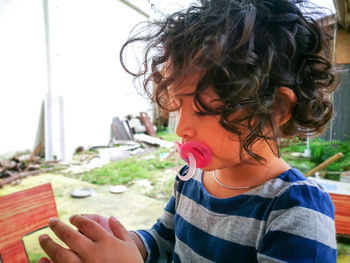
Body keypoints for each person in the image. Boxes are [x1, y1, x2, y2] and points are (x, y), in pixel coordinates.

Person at [38, 0, 339, 262]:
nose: (181, 128)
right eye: (179, 107)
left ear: (276, 109)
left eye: (204, 108)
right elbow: (166, 240)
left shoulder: (296, 211)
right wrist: (128, 245)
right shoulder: (192, 180)